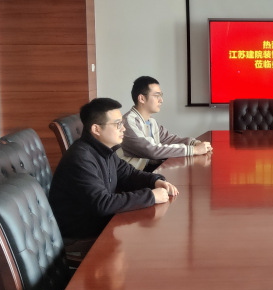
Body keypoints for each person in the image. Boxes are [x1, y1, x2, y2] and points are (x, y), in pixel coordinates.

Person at [49, 97, 179, 240]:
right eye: (118, 124)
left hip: (103, 225)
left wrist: (155, 181)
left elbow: (129, 174)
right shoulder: (80, 158)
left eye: (122, 123)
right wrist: (151, 196)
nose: (123, 128)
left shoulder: (105, 149)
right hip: (82, 237)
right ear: (96, 129)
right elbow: (103, 203)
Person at [119, 76, 212, 170]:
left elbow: (168, 139)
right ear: (142, 98)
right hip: (133, 175)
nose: (161, 100)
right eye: (156, 95)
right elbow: (151, 150)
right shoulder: (129, 121)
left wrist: (194, 143)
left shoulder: (151, 121)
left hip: (149, 171)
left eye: (161, 95)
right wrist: (193, 150)